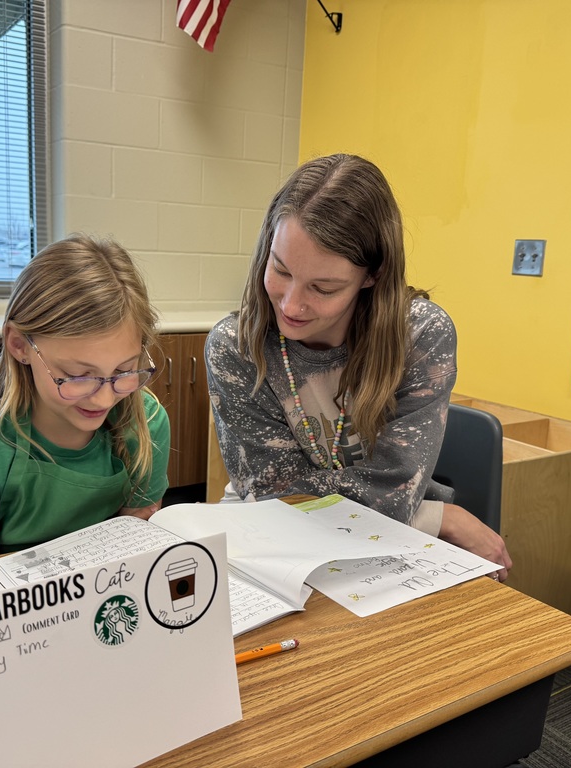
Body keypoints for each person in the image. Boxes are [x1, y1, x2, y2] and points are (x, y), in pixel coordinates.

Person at [205, 154, 512, 580]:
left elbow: (395, 491)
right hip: (274, 539)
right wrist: (439, 517)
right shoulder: (235, 347)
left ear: (373, 275)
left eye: (324, 287)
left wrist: (406, 504)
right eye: (280, 270)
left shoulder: (421, 335)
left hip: (392, 539)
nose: (292, 304)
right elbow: (275, 501)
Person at [0, 234, 171, 567]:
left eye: (125, 370)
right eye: (79, 375)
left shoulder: (147, 421)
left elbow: (136, 557)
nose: (106, 397)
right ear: (20, 345)